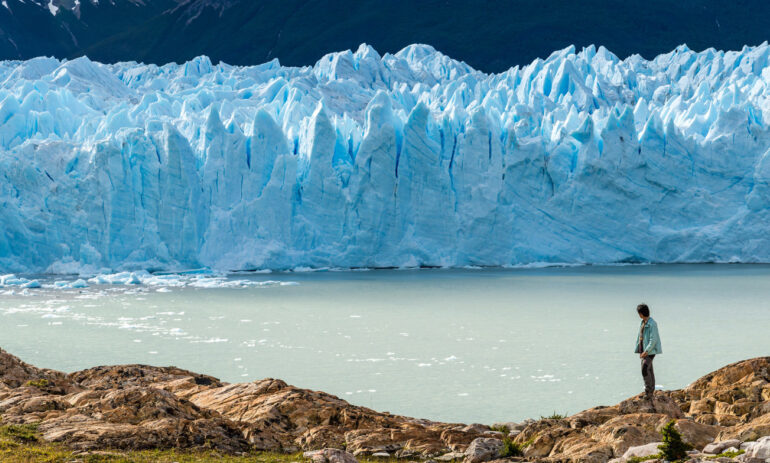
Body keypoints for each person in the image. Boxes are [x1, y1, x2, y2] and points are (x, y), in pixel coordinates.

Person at [635, 303, 662, 410]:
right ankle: (651, 390)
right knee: (649, 369)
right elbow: (641, 338)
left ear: (641, 313)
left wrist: (646, 351)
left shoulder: (652, 324)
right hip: (645, 351)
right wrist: (640, 350)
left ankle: (649, 392)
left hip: (650, 351)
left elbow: (653, 339)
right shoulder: (643, 322)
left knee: (645, 369)